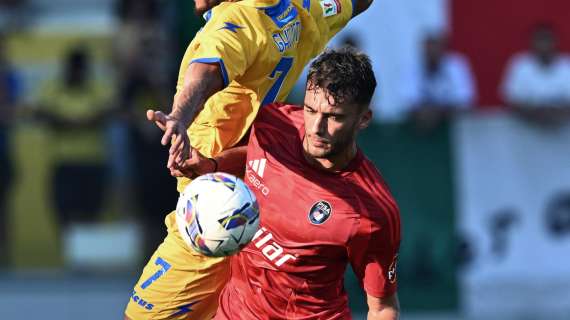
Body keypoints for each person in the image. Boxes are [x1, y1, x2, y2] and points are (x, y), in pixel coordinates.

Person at [125, 0, 374, 318]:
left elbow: (205, 74)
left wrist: (178, 116)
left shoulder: (236, 22)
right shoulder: (302, 10)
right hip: (256, 188)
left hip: (216, 210)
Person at [213, 48, 401, 320]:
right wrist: (211, 166)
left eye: (334, 116)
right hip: (234, 312)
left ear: (363, 119)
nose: (315, 128)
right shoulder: (273, 123)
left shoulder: (372, 212)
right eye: (310, 110)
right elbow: (254, 153)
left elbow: (383, 307)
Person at [34, 47, 112, 237]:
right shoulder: (53, 87)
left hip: (93, 162)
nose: (77, 74)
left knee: (91, 215)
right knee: (64, 215)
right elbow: (41, 113)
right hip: (64, 163)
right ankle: (71, 258)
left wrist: (69, 122)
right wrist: (79, 122)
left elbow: (108, 111)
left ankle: (87, 257)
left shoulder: (97, 87)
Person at [403, 33, 476, 131]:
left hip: (454, 128)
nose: (432, 54)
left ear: (442, 50)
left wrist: (437, 113)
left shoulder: (456, 66)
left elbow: (465, 101)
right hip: (420, 128)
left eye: (435, 49)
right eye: (428, 51)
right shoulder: (412, 68)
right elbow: (409, 103)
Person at [501, 23, 570, 126]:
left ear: (556, 41)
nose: (544, 44)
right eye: (540, 40)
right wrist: (538, 113)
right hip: (525, 129)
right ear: (532, 42)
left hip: (563, 130)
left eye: (547, 39)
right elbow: (511, 99)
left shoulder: (567, 64)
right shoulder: (520, 64)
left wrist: (554, 113)